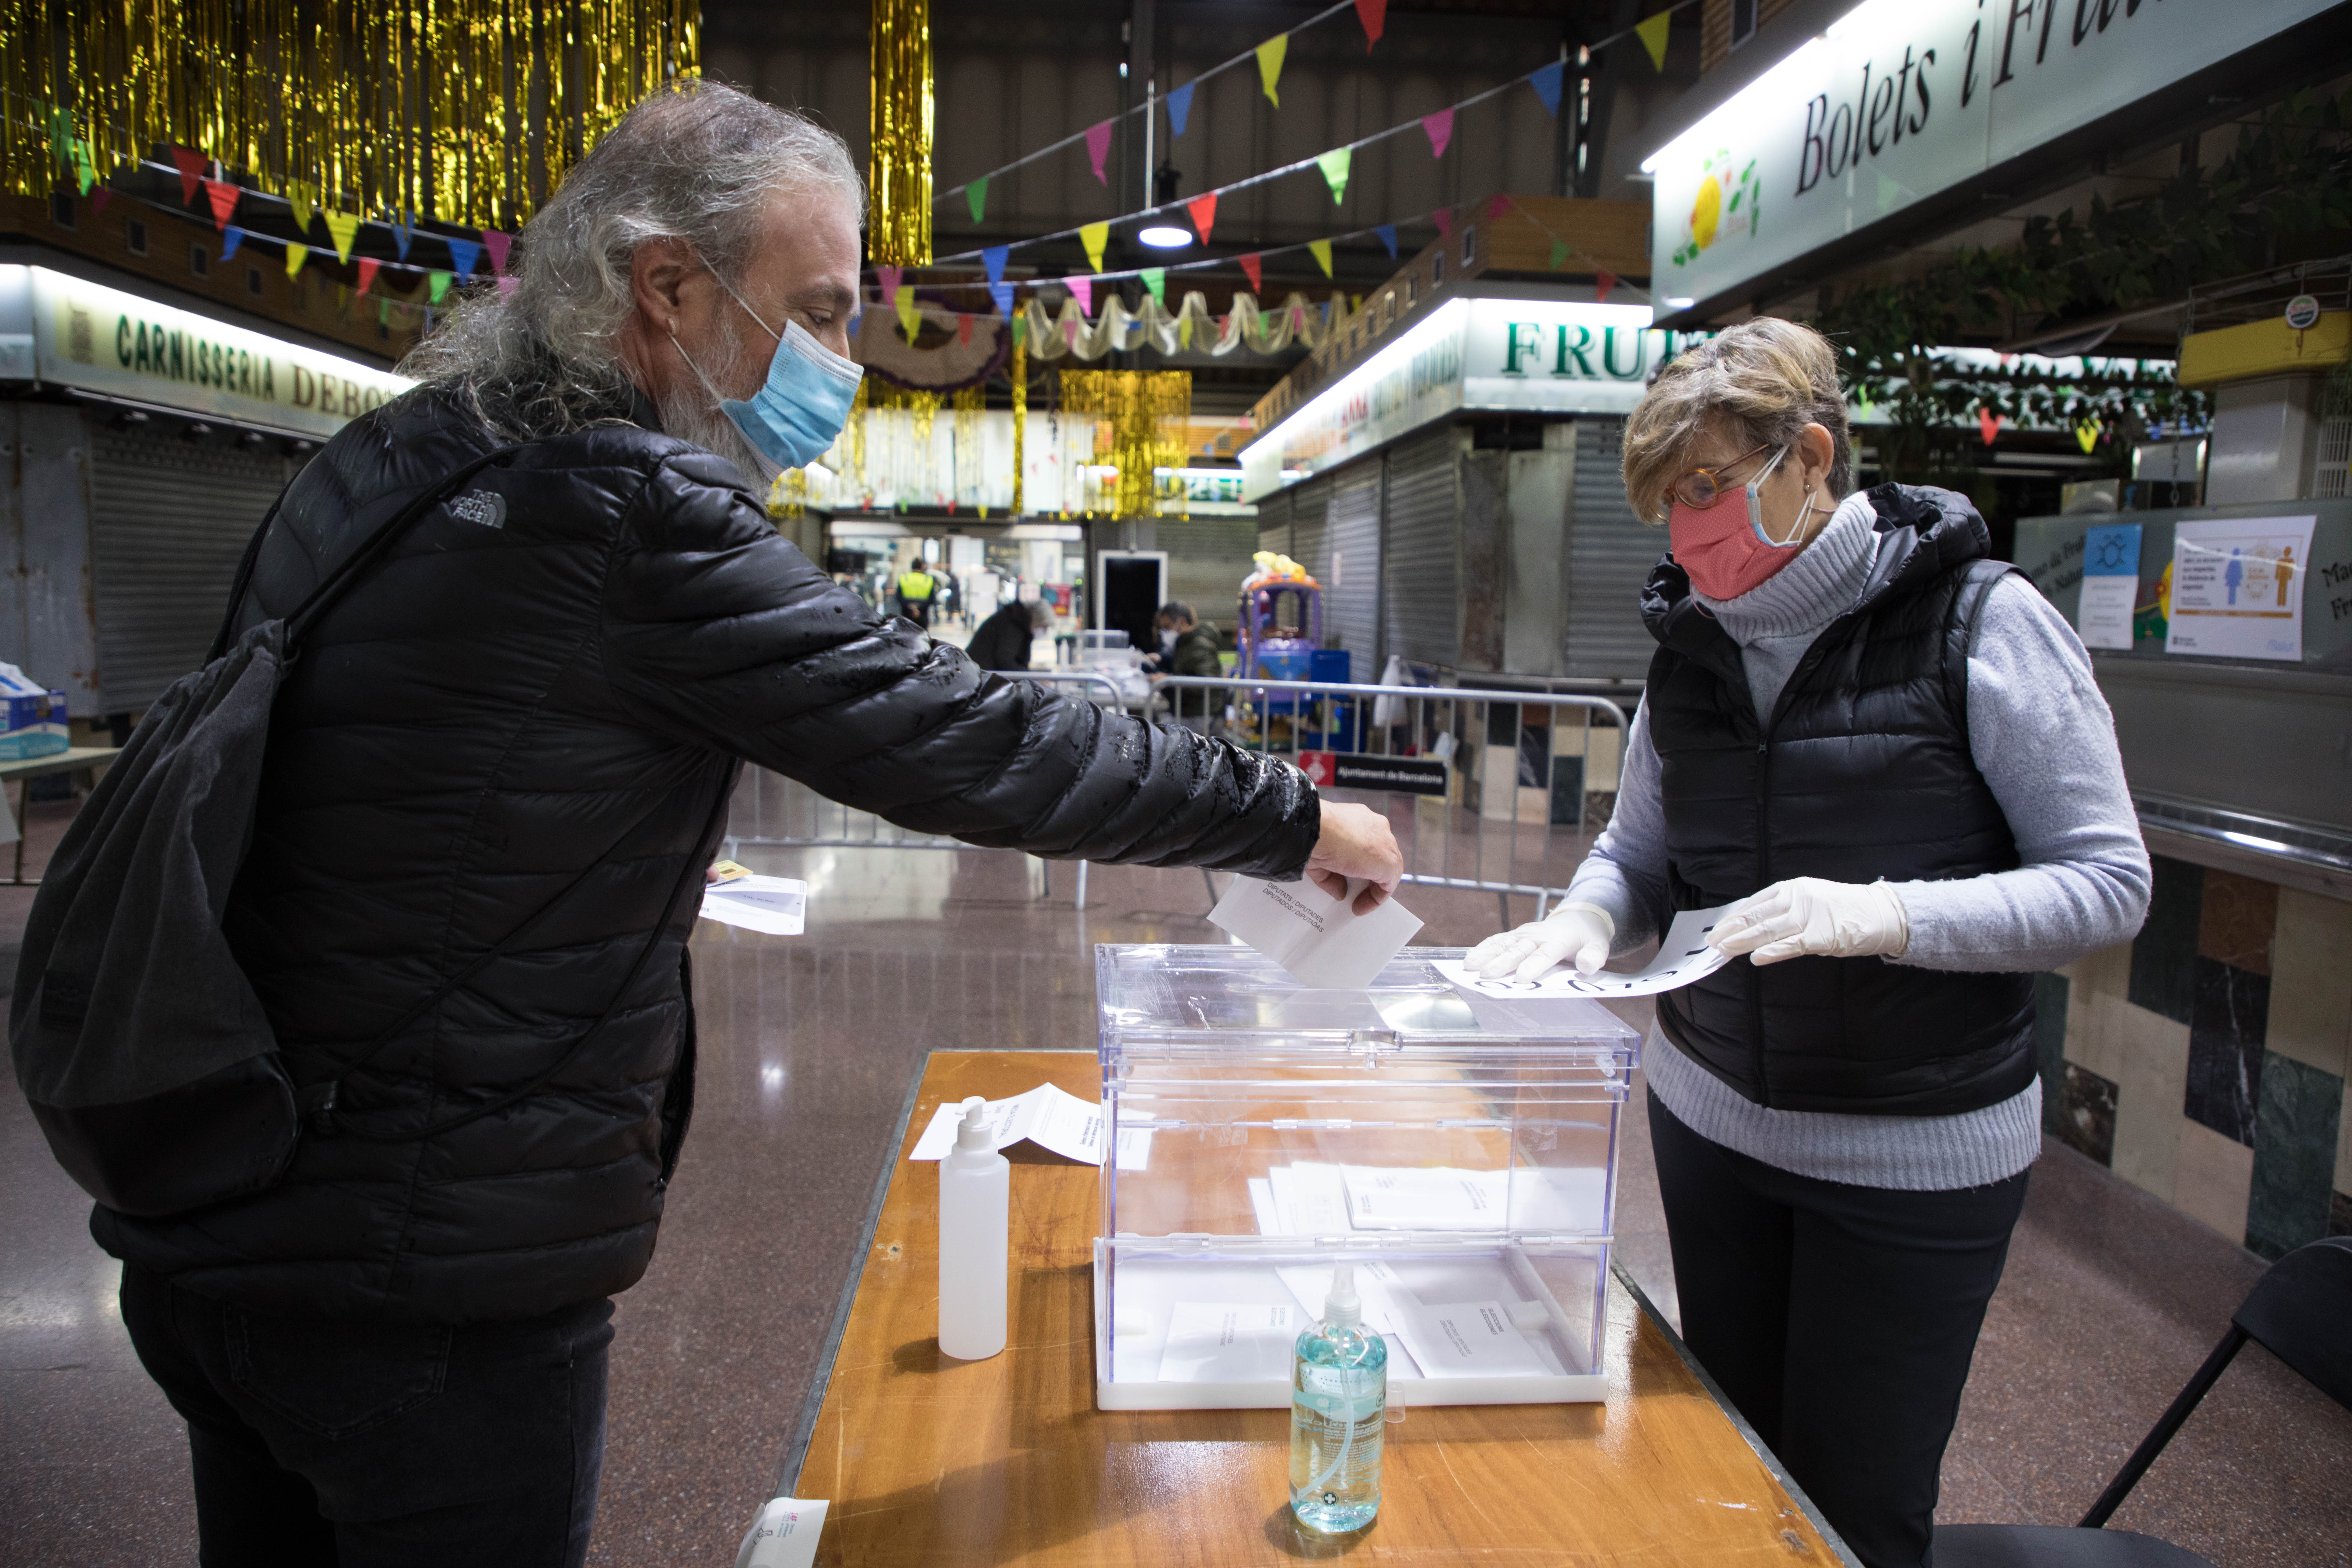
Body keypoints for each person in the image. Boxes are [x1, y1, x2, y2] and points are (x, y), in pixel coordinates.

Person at [101, 82, 1401, 1568]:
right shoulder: (625, 508)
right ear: (667, 288)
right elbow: (963, 735)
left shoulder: (385, 460)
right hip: (426, 1286)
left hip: (219, 1218)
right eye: (822, 312)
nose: (845, 362)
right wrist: (1282, 813)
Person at [1467, 319, 2148, 1568]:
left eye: (1706, 489)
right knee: (1721, 1477)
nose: (1686, 532)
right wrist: (1584, 913)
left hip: (1913, 1154)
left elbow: (2106, 885)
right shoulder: (1686, 653)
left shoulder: (1977, 625)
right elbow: (1638, 852)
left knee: (1850, 1508)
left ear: (1808, 458)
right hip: (1711, 1124)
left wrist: (1886, 915)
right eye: (1663, 507)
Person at [968, 596, 1051, 671]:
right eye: (1044, 627)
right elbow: (1005, 660)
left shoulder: (1015, 620)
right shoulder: (1013, 625)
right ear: (1037, 620)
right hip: (982, 675)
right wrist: (1031, 678)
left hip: (980, 672)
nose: (1044, 631)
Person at [1143, 601, 1222, 678]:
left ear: (1182, 622)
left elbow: (1206, 683)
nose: (1165, 632)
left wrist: (1168, 680)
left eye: (1167, 627)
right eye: (1163, 629)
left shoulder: (1200, 645)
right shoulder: (1185, 645)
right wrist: (1160, 657)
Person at [897, 556, 937, 628]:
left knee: (906, 637)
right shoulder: (928, 580)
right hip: (923, 615)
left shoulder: (904, 578)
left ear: (912, 566)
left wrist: (911, 609)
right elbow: (932, 600)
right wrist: (918, 610)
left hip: (907, 615)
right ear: (922, 567)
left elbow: (898, 598)